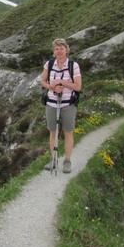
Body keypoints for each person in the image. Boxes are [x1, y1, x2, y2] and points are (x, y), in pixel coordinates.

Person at [40, 38, 82, 173]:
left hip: (68, 104)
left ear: (66, 50)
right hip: (52, 102)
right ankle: (53, 159)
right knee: (53, 132)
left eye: (61, 48)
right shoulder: (49, 64)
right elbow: (43, 81)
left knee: (68, 132)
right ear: (54, 51)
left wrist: (62, 83)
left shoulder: (73, 65)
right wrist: (52, 87)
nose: (59, 51)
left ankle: (67, 161)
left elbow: (78, 86)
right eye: (56, 49)